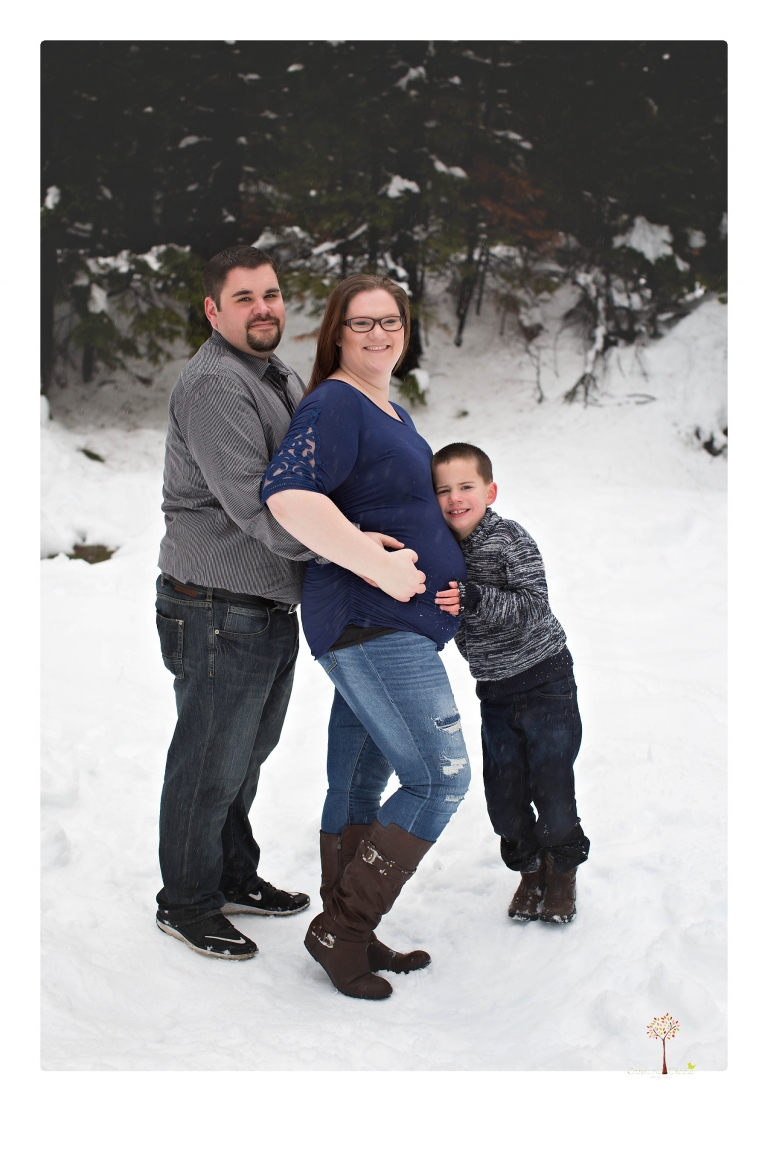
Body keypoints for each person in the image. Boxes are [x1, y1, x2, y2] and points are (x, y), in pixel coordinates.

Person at [262, 274, 470, 1000]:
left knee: (360, 779)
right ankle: (342, 929)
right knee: (439, 777)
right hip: (368, 621)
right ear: (337, 334)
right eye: (362, 323)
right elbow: (288, 495)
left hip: (394, 624)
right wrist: (374, 563)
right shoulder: (334, 402)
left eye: (391, 322)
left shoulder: (396, 412)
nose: (379, 334)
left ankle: (347, 929)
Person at [154, 245, 313, 961]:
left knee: (244, 755)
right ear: (213, 310)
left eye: (271, 294)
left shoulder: (273, 372)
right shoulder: (217, 384)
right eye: (244, 298)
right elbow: (259, 507)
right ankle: (185, 902)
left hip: (262, 605)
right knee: (210, 761)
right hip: (217, 607)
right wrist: (358, 556)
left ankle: (231, 874)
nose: (263, 309)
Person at [432, 443, 590, 923]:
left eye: (466, 487)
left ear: (490, 491)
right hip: (495, 692)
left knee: (552, 786)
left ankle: (561, 872)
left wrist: (475, 598)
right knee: (503, 796)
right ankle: (528, 870)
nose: (455, 499)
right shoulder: (440, 549)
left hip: (546, 681)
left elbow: (533, 604)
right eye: (443, 490)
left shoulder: (509, 540)